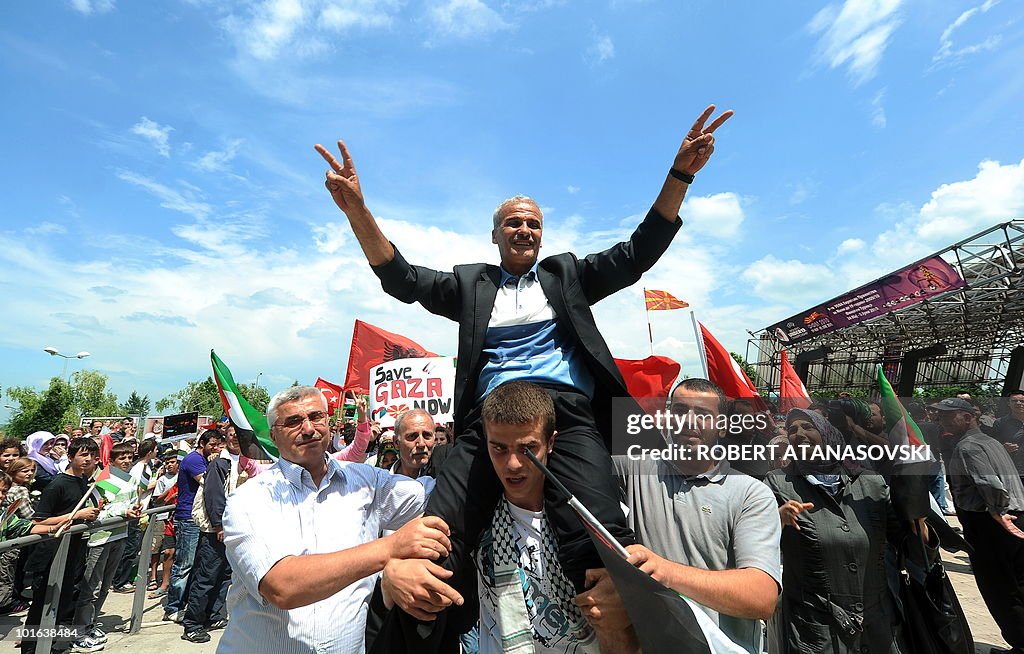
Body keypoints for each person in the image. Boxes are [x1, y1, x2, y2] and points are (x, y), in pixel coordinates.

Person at [316, 105, 733, 646]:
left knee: (597, 531)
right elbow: (403, 279)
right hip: (490, 418)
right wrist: (357, 212)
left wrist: (680, 176)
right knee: (437, 535)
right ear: (495, 236)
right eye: (514, 222)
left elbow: (637, 254)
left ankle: (632, 637)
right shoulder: (471, 286)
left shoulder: (569, 275)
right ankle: (417, 637)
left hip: (569, 412)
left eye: (534, 223)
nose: (525, 229)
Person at [381, 381, 635, 653]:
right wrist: (391, 578)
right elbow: (414, 582)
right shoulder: (471, 519)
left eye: (527, 448)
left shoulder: (593, 524)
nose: (513, 464)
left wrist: (624, 605)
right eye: (499, 448)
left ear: (550, 443)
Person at [218, 385, 454, 654]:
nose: (308, 429)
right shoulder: (250, 498)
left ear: (328, 423)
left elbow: (433, 493)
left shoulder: (367, 482)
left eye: (316, 417)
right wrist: (389, 549)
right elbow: (281, 586)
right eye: (293, 422)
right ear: (274, 434)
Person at [582, 378, 781, 653]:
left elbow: (761, 597)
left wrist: (664, 571)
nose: (688, 421)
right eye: (679, 411)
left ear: (722, 427)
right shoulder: (633, 469)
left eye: (703, 414)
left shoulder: (750, 494)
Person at [767, 407, 935, 654]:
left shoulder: (871, 482)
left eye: (808, 427)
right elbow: (759, 541)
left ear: (828, 434)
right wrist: (776, 520)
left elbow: (910, 547)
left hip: (876, 622)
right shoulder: (778, 482)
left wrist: (917, 519)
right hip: (817, 626)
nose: (799, 433)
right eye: (792, 429)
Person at [934, 397, 1024, 653]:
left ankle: (1019, 643)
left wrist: (998, 512)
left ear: (967, 416)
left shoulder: (968, 447)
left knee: (999, 588)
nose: (942, 420)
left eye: (948, 415)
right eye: (940, 416)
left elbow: (990, 485)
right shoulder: (992, 441)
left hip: (990, 523)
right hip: (1015, 517)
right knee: (1017, 582)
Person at [23, 437, 103, 654]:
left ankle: (55, 646)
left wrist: (89, 515)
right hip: (51, 555)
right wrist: (76, 514)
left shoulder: (83, 482)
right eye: (82, 455)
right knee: (42, 606)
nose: (88, 460)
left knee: (65, 603)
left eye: (91, 455)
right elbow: (38, 521)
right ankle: (31, 649)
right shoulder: (57, 484)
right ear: (70, 457)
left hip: (72, 552)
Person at [74, 442, 143, 651]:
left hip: (120, 536)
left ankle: (91, 624)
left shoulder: (131, 479)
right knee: (91, 587)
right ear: (111, 460)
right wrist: (122, 513)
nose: (127, 461)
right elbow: (98, 512)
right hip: (100, 538)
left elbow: (129, 504)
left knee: (105, 586)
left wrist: (135, 510)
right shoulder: (102, 480)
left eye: (130, 457)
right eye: (122, 458)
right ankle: (79, 631)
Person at [163, 429, 223, 623]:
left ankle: (188, 602)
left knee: (197, 564)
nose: (215, 448)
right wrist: (216, 461)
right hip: (188, 518)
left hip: (200, 518)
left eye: (218, 444)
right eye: (212, 444)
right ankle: (173, 606)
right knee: (184, 564)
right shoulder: (193, 460)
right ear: (202, 443)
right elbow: (208, 482)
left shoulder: (205, 459)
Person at [992, 389, 1024, 488]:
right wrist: (1003, 448)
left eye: (1022, 401)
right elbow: (992, 446)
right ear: (1008, 403)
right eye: (1014, 401)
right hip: (1014, 471)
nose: (1018, 403)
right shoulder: (1000, 423)